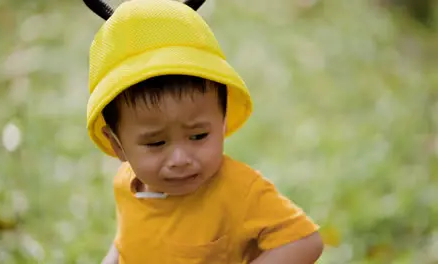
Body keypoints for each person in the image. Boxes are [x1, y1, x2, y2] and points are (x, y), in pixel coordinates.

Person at [82, 0, 324, 263]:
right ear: (118, 145)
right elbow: (129, 240)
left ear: (222, 121)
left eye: (198, 136)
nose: (180, 158)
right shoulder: (125, 184)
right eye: (156, 142)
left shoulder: (238, 191)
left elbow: (305, 241)